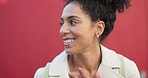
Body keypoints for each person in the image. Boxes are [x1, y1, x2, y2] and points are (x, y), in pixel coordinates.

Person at [34, 0, 141, 78]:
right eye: (62, 23)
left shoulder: (127, 71)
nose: (62, 30)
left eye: (73, 22)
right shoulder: (43, 75)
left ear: (99, 28)